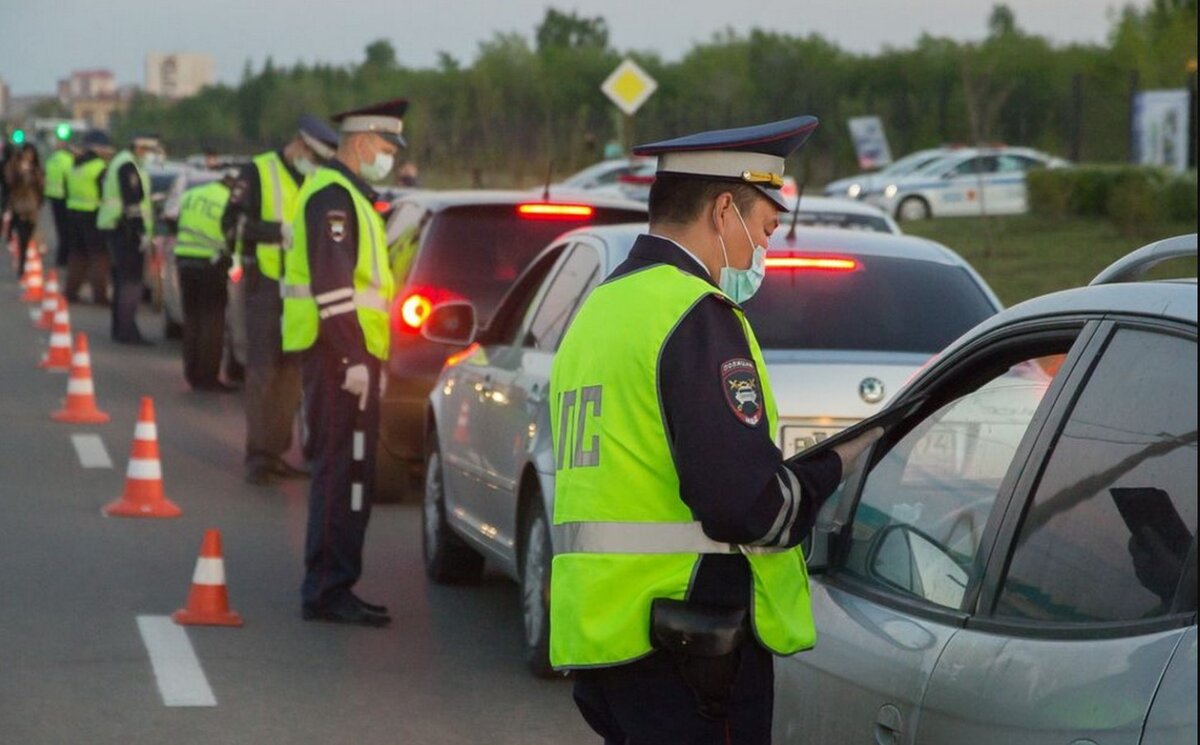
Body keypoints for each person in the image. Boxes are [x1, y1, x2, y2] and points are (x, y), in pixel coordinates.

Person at [548, 116, 884, 745]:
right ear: (724, 210)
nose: (765, 249)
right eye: (764, 229)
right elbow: (747, 507)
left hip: (607, 637)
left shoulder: (600, 310)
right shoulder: (695, 314)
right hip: (691, 649)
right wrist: (837, 466)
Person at [282, 99, 404, 626]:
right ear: (359, 143)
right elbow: (333, 289)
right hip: (339, 359)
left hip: (351, 356)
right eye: (384, 146)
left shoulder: (351, 197)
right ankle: (328, 588)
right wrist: (354, 358)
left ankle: (334, 583)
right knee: (341, 474)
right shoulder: (333, 199)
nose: (388, 157)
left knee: (349, 473)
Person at [222, 114, 338, 485]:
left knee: (291, 374)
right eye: (313, 157)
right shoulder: (258, 171)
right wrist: (275, 232)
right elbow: (232, 224)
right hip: (265, 284)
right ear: (300, 146)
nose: (314, 166)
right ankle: (259, 455)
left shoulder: (315, 178)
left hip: (301, 291)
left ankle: (275, 450)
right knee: (263, 370)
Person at [174, 170, 237, 391]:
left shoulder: (193, 194)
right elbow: (233, 234)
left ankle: (191, 372)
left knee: (192, 320)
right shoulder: (229, 200)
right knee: (212, 322)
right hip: (212, 263)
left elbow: (174, 219)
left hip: (184, 259)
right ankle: (207, 377)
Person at [98, 133, 160, 345]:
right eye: (148, 150)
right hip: (126, 231)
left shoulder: (121, 162)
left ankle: (120, 328)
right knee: (130, 283)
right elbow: (132, 202)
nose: (149, 155)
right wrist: (140, 231)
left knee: (121, 281)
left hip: (117, 227)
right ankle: (126, 330)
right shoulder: (128, 166)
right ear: (139, 147)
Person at [63, 130, 113, 305]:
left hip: (73, 213)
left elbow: (66, 190)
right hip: (93, 214)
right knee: (99, 256)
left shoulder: (74, 166)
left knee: (77, 255)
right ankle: (100, 295)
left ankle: (70, 292)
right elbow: (106, 193)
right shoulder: (99, 167)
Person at [5, 144, 44, 278]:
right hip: (18, 205)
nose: (29, 156)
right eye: (26, 153)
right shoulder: (14, 167)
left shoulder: (36, 170)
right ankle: (22, 263)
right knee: (22, 236)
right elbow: (9, 181)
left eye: (31, 154)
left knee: (30, 233)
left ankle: (27, 260)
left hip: (32, 206)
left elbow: (41, 187)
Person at [43, 135, 76, 269]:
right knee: (66, 230)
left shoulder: (51, 159)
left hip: (53, 196)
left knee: (60, 228)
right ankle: (64, 257)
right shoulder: (69, 160)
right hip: (65, 197)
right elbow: (71, 179)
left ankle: (61, 257)